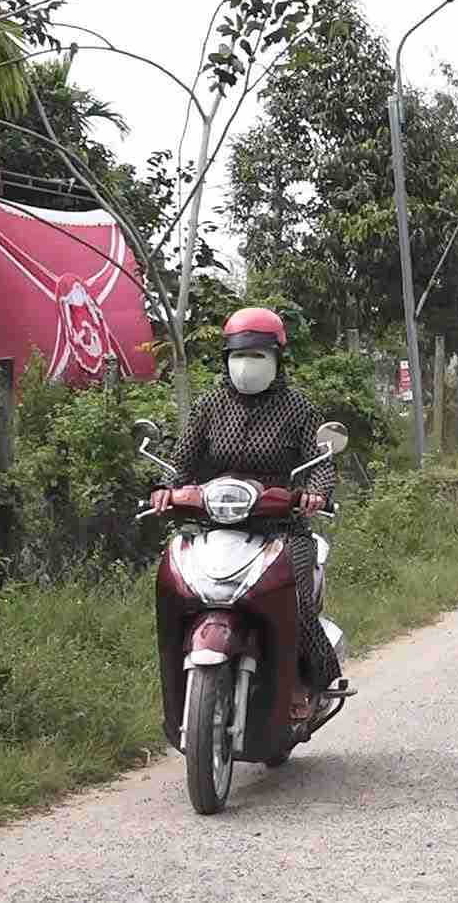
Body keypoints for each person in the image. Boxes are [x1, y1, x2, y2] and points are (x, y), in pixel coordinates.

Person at [151, 307, 342, 720]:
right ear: (226, 359)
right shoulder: (210, 405)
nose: (246, 365)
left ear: (277, 359)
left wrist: (316, 493)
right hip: (212, 524)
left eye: (257, 356)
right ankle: (178, 686)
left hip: (281, 526)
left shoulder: (297, 408)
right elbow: (182, 461)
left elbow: (320, 462)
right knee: (177, 590)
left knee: (298, 601)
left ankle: (311, 679)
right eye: (239, 356)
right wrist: (166, 488)